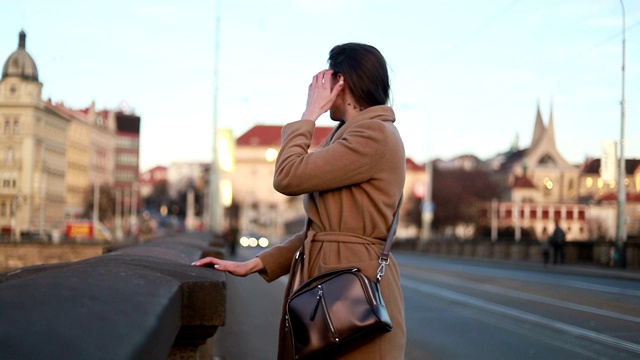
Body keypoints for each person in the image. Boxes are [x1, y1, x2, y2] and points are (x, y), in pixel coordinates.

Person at [192, 43, 406, 359]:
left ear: (342, 82)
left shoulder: (373, 135)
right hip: (334, 288)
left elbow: (288, 176)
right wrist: (258, 262)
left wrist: (309, 114)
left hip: (350, 296)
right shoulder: (350, 134)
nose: (315, 88)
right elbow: (322, 229)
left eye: (325, 79)